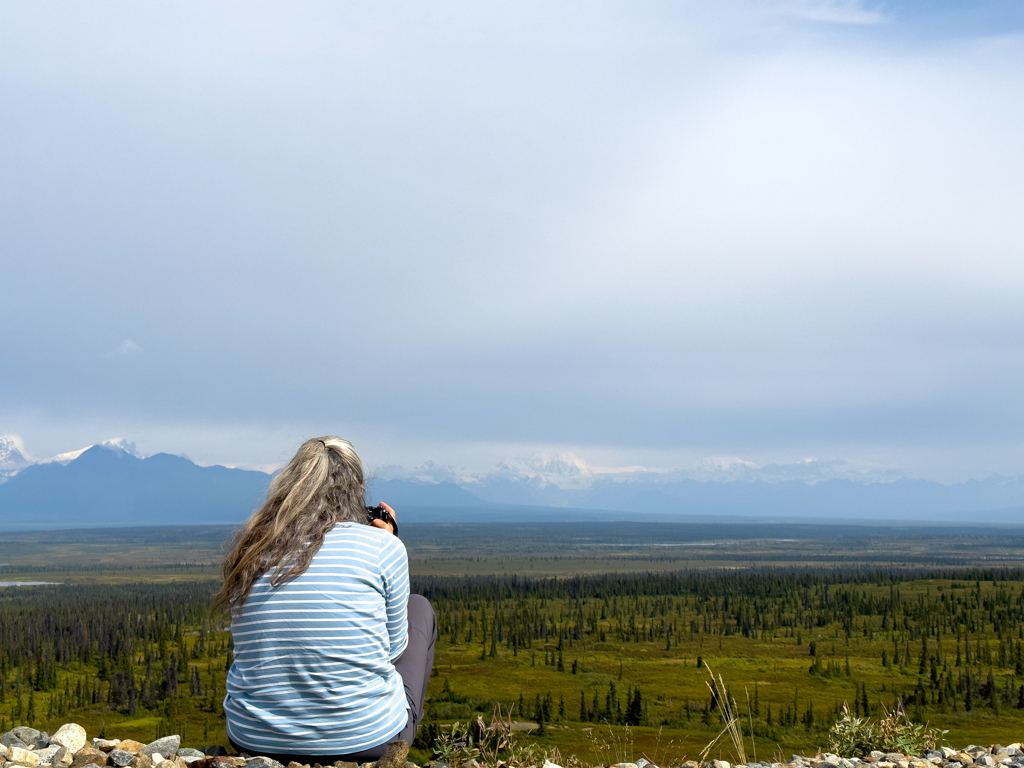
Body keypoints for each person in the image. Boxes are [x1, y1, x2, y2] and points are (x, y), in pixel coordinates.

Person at [213, 437, 436, 763]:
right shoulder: (382, 548)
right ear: (359, 489)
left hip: (251, 738)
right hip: (367, 741)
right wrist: (384, 541)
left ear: (290, 486)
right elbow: (392, 649)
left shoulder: (251, 549)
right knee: (418, 607)